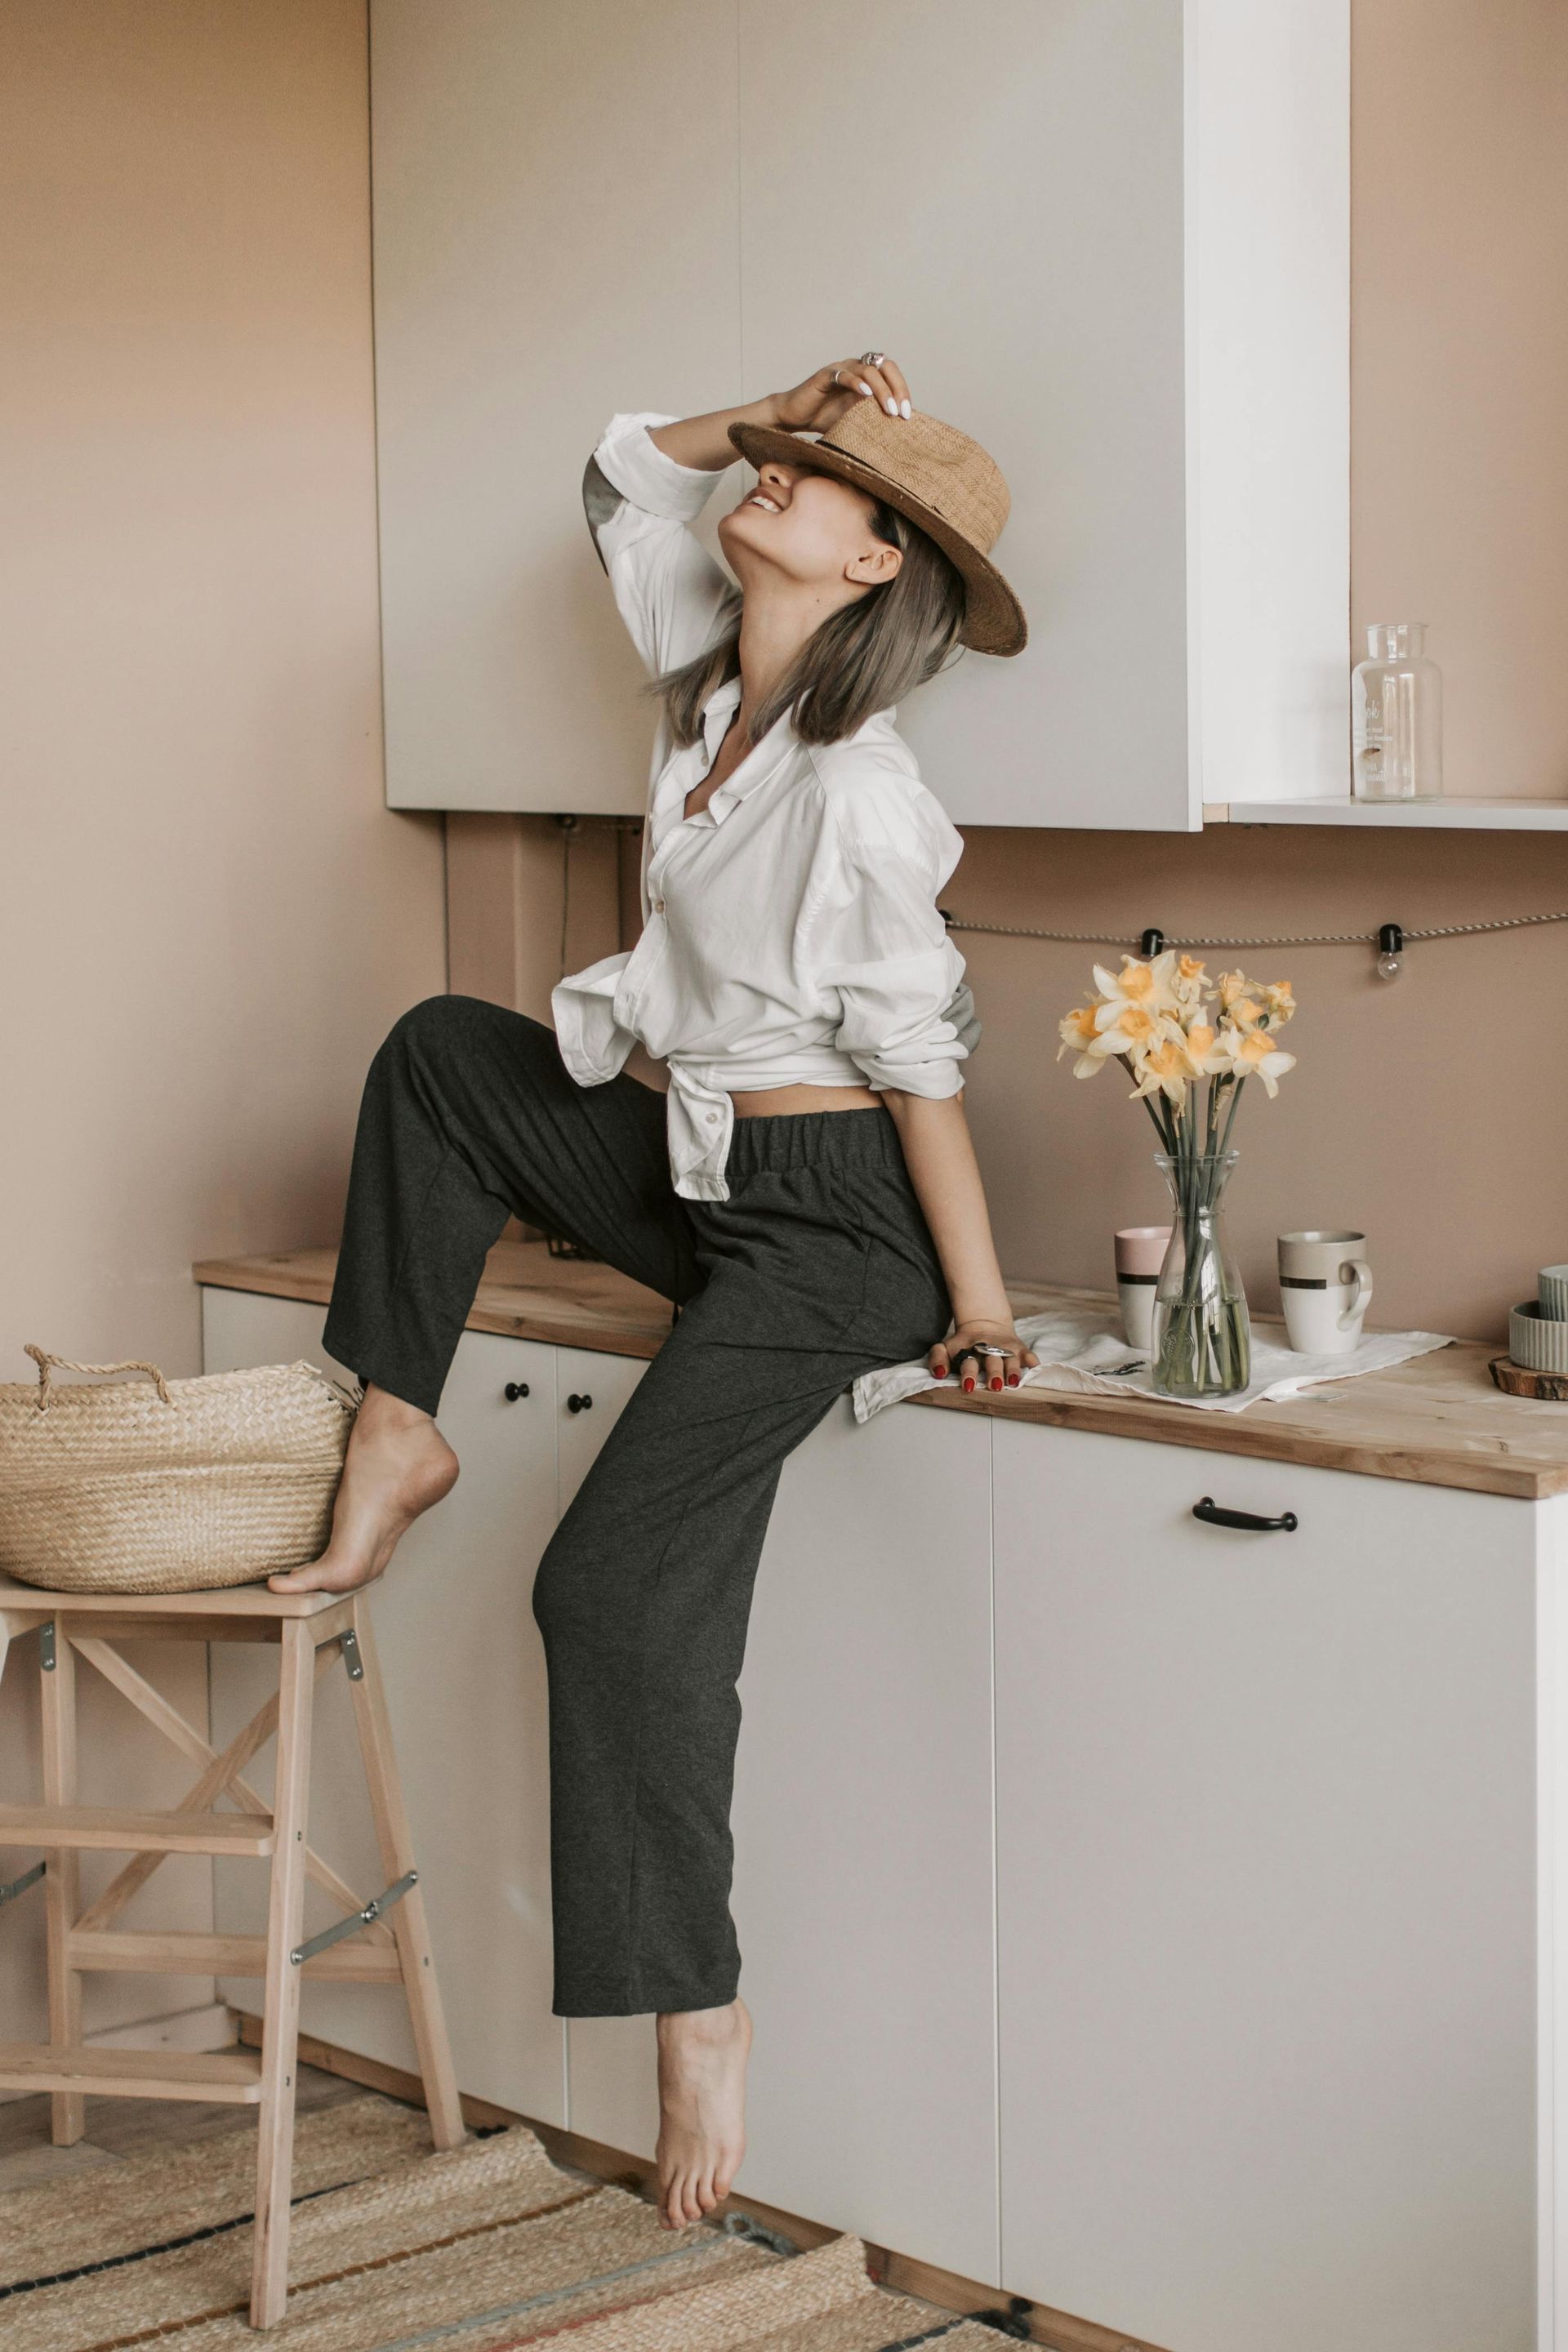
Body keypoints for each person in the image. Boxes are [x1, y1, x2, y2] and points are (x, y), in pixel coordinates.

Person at [269, 353, 1037, 2231]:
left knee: (603, 1586)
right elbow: (621, 470)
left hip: (839, 1232)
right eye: (781, 459)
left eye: (817, 476)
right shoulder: (712, 690)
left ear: (875, 563)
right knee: (443, 1053)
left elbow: (923, 1075)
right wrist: (776, 401)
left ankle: (702, 2004)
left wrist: (983, 1306)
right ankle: (397, 1426)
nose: (771, 476)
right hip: (707, 1176)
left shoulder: (862, 794)